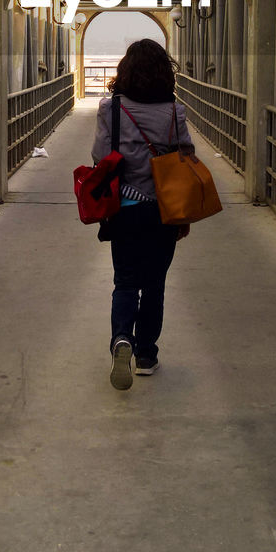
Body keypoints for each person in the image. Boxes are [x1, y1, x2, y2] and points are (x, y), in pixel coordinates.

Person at [91, 38, 194, 391]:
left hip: (125, 209)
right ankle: (146, 355)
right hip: (164, 211)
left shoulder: (111, 109)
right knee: (154, 284)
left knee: (125, 281)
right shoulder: (174, 111)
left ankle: (122, 339)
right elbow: (187, 157)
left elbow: (100, 155)